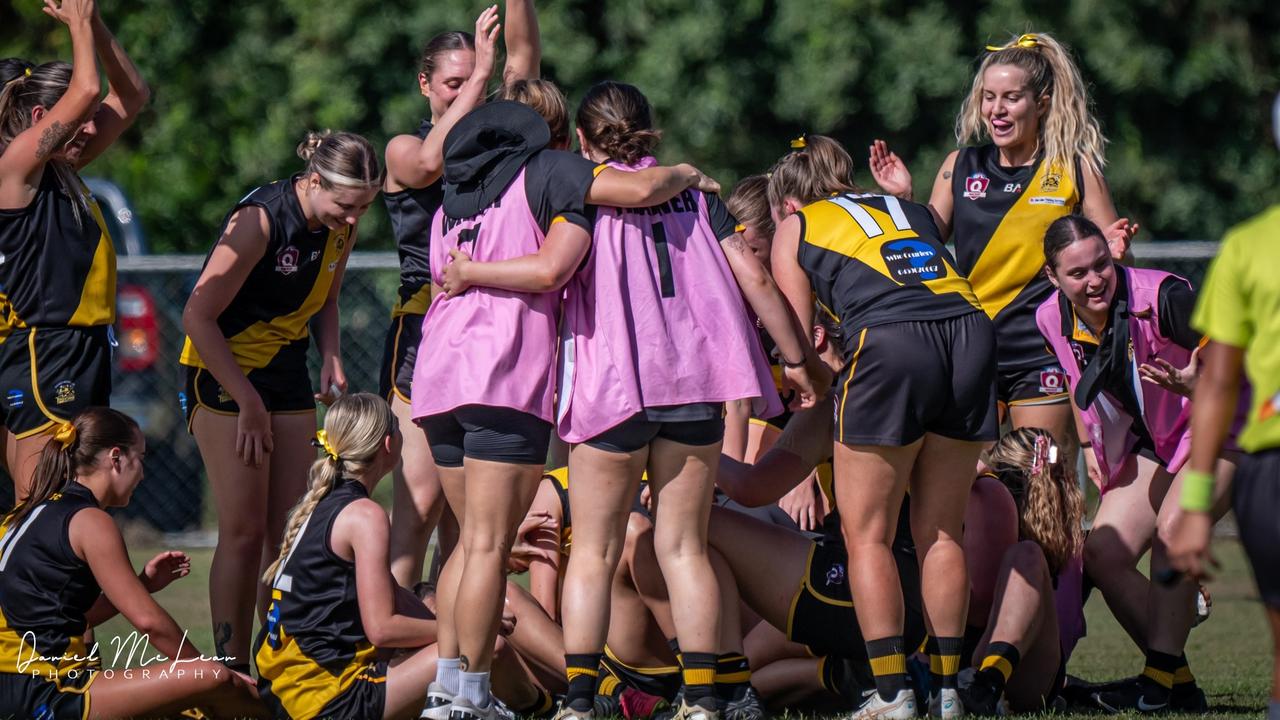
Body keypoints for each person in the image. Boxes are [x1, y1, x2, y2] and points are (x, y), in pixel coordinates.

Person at [442, 82, 823, 720]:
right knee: (684, 548)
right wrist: (797, 360)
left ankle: (582, 701)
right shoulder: (700, 197)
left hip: (610, 389)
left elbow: (547, 270)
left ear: (584, 140)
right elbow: (754, 276)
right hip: (696, 387)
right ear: (651, 131)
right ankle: (705, 702)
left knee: (593, 548)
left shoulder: (579, 194)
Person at [415, 100, 722, 720]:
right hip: (502, 375)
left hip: (436, 375)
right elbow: (563, 261)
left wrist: (470, 270)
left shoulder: (450, 202)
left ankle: (448, 691)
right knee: (486, 547)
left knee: (467, 546)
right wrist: (687, 174)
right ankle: (468, 699)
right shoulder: (549, 174)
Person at [769, 134, 997, 719]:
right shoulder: (908, 210)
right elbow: (911, 256)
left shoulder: (796, 226)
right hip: (970, 331)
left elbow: (795, 340)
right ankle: (948, 694)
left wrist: (817, 384)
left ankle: (892, 695)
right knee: (942, 531)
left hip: (892, 343)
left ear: (787, 204)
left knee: (865, 534)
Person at [868, 31, 1136, 447]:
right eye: (989, 97)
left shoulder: (1074, 169)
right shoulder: (961, 164)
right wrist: (904, 199)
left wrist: (1119, 254)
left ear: (1041, 103)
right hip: (969, 347)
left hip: (1042, 350)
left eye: (1011, 97)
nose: (997, 109)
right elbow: (925, 247)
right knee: (969, 482)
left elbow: (1112, 265)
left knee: (1039, 479)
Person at [180, 131, 383, 672]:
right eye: (345, 205)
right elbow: (197, 317)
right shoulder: (261, 220)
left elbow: (330, 299)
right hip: (221, 369)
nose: (353, 217)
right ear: (314, 181)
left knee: (292, 525)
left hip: (284, 367)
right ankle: (231, 668)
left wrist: (332, 355)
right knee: (244, 532)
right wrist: (247, 400)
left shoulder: (344, 224)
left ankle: (279, 663)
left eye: (364, 206)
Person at [1035, 214, 1243, 713]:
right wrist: (1089, 449)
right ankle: (1181, 688)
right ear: (1053, 278)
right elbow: (1073, 382)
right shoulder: (1050, 317)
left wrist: (1200, 380)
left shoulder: (1163, 296)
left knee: (1174, 529)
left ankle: (1155, 685)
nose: (1094, 281)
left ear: (1114, 258)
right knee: (1103, 552)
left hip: (1227, 429)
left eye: (1101, 266)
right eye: (1077, 273)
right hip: (1161, 441)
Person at [381, 1, 541, 589]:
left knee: (470, 521)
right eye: (452, 83)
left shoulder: (496, 147)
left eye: (472, 79)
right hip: (424, 330)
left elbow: (523, 63)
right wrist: (481, 80)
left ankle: (457, 654)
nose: (465, 95)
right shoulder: (404, 147)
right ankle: (391, 647)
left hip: (489, 328)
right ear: (425, 85)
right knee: (421, 506)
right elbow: (426, 166)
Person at [0, 408, 262, 719]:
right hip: (46, 690)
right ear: (116, 458)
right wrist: (209, 671)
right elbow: (150, 624)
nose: (143, 472)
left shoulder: (26, 514)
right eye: (140, 457)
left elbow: (73, 617)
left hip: (14, 689)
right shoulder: (90, 521)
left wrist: (143, 584)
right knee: (212, 679)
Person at [0, 0, 149, 498]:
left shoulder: (61, 169)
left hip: (82, 349)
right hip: (46, 350)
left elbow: (130, 96)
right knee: (44, 507)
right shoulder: (14, 169)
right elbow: (88, 90)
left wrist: (97, 25)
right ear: (44, 118)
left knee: (74, 502)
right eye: (80, 120)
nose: (91, 128)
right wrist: (79, 23)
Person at [1168, 92, 1280, 720]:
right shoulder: (1247, 248)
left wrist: (1194, 504)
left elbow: (1213, 386)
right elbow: (1213, 382)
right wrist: (1195, 502)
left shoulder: (1249, 245)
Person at [255, 393, 441, 720]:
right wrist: (467, 629)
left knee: (436, 617)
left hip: (284, 691)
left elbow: (387, 598)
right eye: (399, 428)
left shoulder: (321, 504)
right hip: (327, 701)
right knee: (476, 648)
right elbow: (382, 629)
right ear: (388, 444)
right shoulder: (364, 515)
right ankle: (541, 704)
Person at [959, 428, 1086, 715]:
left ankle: (987, 683)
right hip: (1034, 677)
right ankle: (986, 683)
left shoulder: (980, 502)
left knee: (1026, 553)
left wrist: (977, 470)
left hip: (990, 664)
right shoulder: (1079, 542)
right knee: (1027, 553)